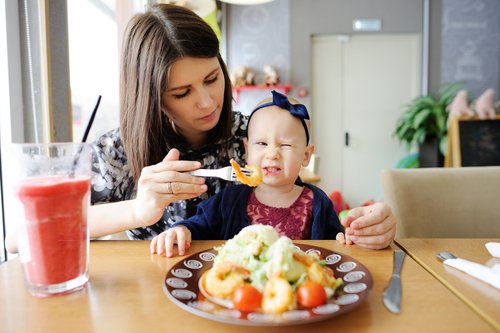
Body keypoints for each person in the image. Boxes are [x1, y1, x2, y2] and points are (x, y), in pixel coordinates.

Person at [5, 3, 396, 254]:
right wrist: (138, 211)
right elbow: (21, 237)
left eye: (212, 78)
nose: (207, 102)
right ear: (152, 96)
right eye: (182, 92)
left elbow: (312, 206)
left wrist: (370, 227)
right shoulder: (116, 153)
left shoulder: (251, 137)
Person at [151, 90, 396, 257]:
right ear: (247, 150)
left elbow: (336, 244)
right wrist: (181, 230)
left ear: (306, 156)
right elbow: (199, 226)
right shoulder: (230, 199)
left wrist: (354, 236)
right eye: (262, 144)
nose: (273, 154)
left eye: (286, 145)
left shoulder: (318, 202)